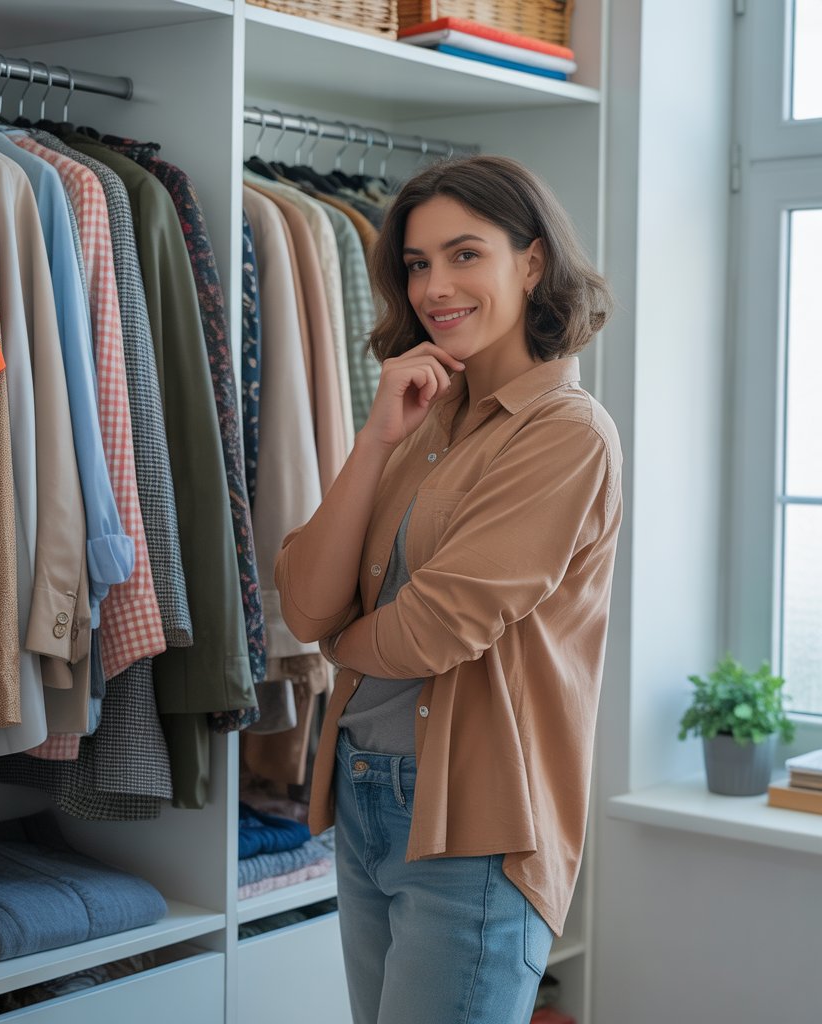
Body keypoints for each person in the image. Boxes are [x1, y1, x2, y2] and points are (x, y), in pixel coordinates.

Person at [274, 155, 622, 1024]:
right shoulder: (424, 412)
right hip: (362, 793)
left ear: (532, 262)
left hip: (471, 826)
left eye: (465, 255)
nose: (436, 285)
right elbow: (306, 603)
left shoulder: (567, 435)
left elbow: (434, 630)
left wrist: (337, 643)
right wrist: (374, 441)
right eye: (419, 264)